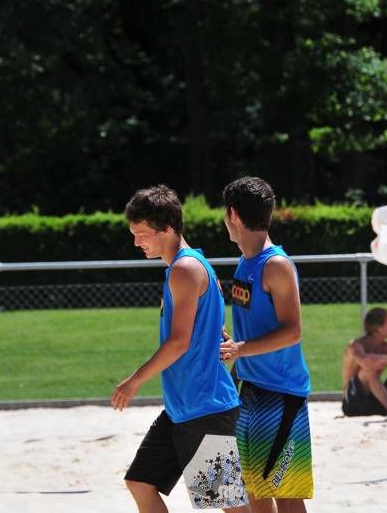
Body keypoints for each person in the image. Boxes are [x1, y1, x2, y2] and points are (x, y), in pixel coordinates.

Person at [111, 185, 252, 513]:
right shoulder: (190, 266)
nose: (136, 242)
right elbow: (214, 329)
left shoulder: (185, 269)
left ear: (167, 228)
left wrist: (134, 380)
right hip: (184, 406)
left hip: (203, 407)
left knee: (227, 502)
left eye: (141, 233)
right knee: (140, 482)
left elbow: (179, 342)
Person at [219, 176, 312, 513]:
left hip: (281, 391)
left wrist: (240, 349)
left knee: (286, 493)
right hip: (250, 387)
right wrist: (232, 344)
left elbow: (293, 331)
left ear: (233, 215)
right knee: (253, 490)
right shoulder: (246, 262)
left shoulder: (276, 265)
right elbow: (256, 326)